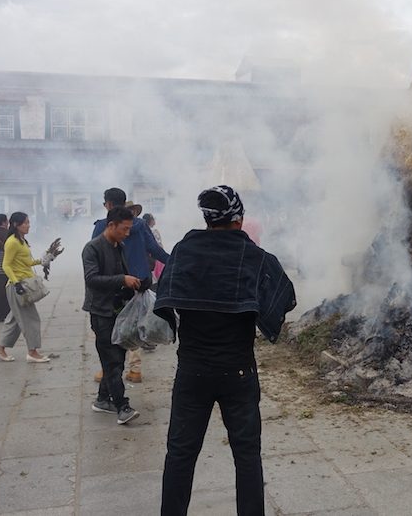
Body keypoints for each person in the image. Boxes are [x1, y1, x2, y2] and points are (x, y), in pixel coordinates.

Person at [155, 185, 297, 516]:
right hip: (238, 371)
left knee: (180, 453)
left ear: (207, 220)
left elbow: (165, 298)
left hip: (192, 370)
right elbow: (284, 297)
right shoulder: (255, 257)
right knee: (247, 455)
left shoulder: (184, 251)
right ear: (239, 220)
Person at [91, 189, 169, 384]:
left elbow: (95, 256)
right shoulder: (141, 224)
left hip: (114, 283)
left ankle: (107, 368)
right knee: (133, 323)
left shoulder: (103, 226)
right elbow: (154, 249)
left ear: (108, 204)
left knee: (109, 326)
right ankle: (135, 369)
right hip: (139, 280)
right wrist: (174, 261)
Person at [81, 206, 142, 424]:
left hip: (119, 310)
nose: (127, 233)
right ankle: (122, 406)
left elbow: (122, 276)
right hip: (101, 312)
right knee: (112, 360)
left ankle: (102, 399)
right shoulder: (92, 248)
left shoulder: (120, 246)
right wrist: (121, 279)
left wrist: (135, 284)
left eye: (129, 229)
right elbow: (92, 280)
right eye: (124, 229)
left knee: (117, 357)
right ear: (111, 226)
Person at [0, 212, 55, 364]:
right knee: (31, 319)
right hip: (18, 287)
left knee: (14, 321)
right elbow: (6, 265)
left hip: (22, 282)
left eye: (28, 222)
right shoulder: (12, 242)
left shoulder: (22, 241)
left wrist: (42, 260)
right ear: (15, 225)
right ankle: (32, 352)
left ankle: (0, 349)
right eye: (25, 223)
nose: (28, 225)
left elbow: (25, 263)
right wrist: (16, 283)